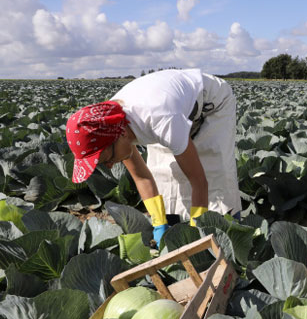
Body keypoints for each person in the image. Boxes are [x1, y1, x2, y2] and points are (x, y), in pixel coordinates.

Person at [65, 69, 242, 246]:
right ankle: (174, 233)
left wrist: (197, 229)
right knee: (164, 173)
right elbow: (142, 177)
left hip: (211, 104)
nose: (110, 166)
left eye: (106, 159)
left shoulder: (159, 120)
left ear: (120, 135)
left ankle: (225, 232)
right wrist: (159, 223)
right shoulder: (112, 124)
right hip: (166, 108)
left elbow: (199, 180)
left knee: (214, 172)